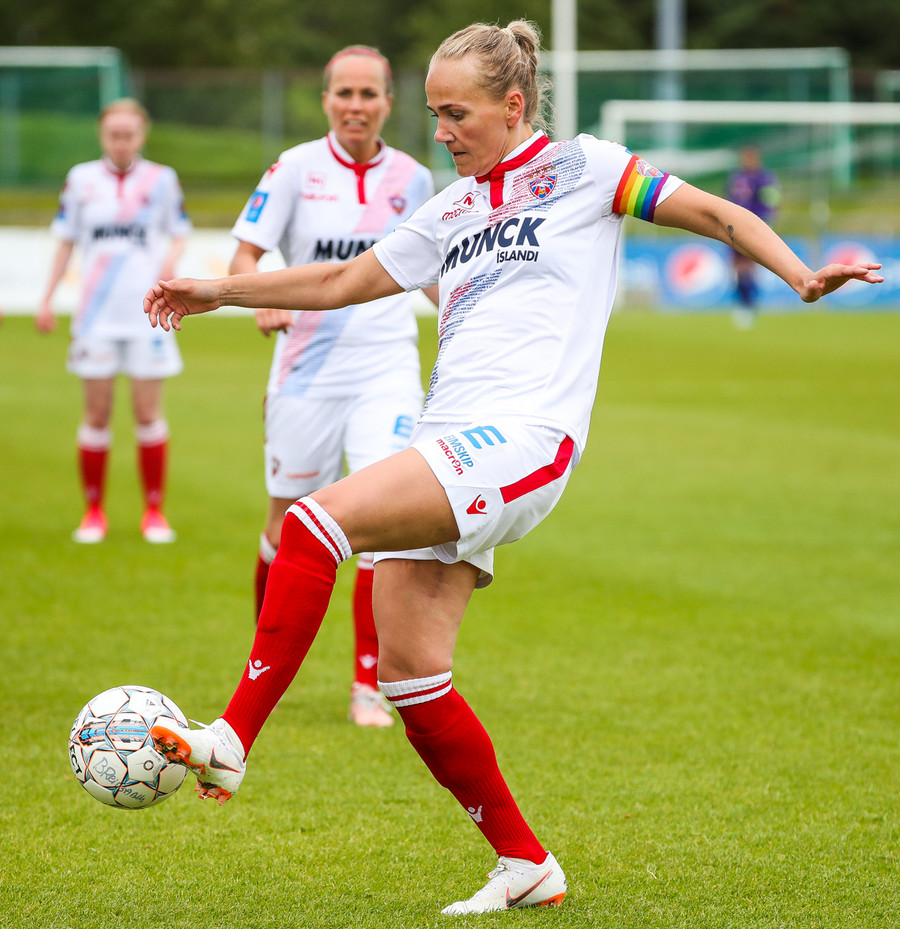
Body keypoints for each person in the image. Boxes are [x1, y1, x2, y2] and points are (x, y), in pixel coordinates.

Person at [144, 21, 882, 915]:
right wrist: (218, 290)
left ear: (513, 104)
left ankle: (231, 737)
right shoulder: (449, 208)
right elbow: (340, 283)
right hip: (448, 440)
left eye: (456, 114)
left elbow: (718, 214)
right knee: (411, 674)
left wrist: (799, 275)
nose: (441, 132)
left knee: (313, 522)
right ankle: (526, 864)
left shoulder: (587, 169)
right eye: (434, 114)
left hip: (524, 438)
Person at [229, 46, 436, 728]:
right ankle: (266, 662)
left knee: (381, 520)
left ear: (388, 102)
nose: (356, 105)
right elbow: (247, 252)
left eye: (368, 93)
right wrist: (260, 296)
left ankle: (367, 684)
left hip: (387, 367)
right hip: (306, 371)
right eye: (344, 92)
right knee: (285, 522)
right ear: (325, 100)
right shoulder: (293, 169)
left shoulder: (413, 178)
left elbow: (430, 271)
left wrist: (471, 317)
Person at [38, 98, 191, 544]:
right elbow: (65, 242)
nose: (121, 142)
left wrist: (170, 266)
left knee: (148, 414)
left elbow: (179, 234)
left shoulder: (162, 179)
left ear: (142, 135)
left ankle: (154, 512)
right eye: (113, 134)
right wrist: (47, 299)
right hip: (95, 318)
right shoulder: (80, 179)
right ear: (102, 135)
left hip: (149, 315)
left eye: (129, 134)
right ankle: (93, 512)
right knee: (96, 415)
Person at [726, 145, 781, 327]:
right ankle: (742, 303)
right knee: (736, 268)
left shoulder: (764, 178)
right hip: (733, 226)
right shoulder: (736, 177)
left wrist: (767, 222)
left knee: (749, 266)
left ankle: (749, 305)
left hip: (753, 227)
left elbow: (771, 201)